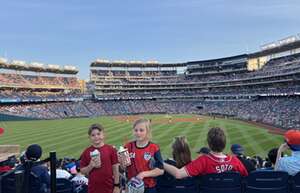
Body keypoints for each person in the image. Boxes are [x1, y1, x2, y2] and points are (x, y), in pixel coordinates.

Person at [163, 127, 248, 179]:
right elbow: (246, 178)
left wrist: (160, 162)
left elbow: (178, 174)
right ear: (224, 143)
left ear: (209, 143)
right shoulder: (234, 160)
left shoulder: (203, 161)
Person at [121, 118, 164, 193]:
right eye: (136, 130)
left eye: (141, 130)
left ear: (147, 131)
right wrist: (122, 163)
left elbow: (160, 170)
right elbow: (123, 168)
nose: (138, 133)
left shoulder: (154, 147)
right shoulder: (127, 146)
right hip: (132, 187)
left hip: (149, 188)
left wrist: (143, 174)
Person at [80, 123, 120, 193]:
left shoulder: (111, 149)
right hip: (93, 189)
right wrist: (90, 166)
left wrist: (116, 186)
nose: (96, 137)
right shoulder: (87, 152)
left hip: (109, 188)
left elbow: (115, 169)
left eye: (98, 134)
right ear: (89, 137)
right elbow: (82, 171)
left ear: (103, 135)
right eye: (93, 135)